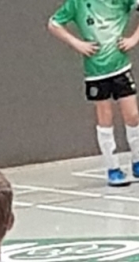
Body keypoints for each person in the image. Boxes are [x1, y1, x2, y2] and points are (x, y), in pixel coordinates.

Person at [49, 0, 139, 186]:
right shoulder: (78, 3)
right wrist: (77, 43)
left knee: (132, 115)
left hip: (120, 67)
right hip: (96, 72)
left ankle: (137, 161)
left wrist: (133, 39)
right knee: (105, 116)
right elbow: (54, 23)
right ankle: (113, 168)